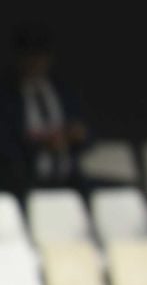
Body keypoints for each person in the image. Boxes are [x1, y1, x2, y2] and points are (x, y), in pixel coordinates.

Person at [1, 27, 88, 194]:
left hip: (68, 176)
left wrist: (76, 135)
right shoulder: (6, 95)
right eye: (30, 55)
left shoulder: (62, 90)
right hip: (22, 178)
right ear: (19, 58)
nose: (36, 62)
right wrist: (39, 142)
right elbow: (6, 143)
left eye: (41, 56)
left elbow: (87, 134)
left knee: (118, 192)